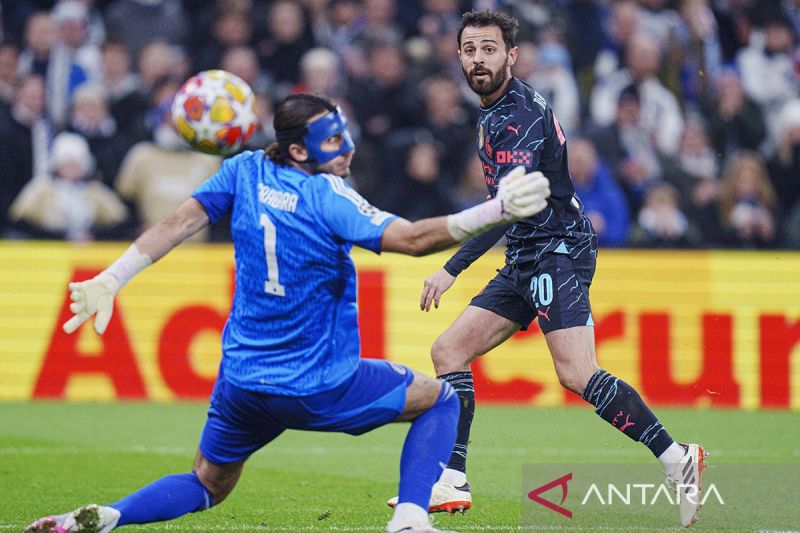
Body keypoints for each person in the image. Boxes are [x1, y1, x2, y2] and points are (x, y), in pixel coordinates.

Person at [23, 92, 551, 533]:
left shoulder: (243, 171)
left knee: (207, 482)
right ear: (298, 150)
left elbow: (177, 224)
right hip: (317, 383)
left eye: (344, 133)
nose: (345, 149)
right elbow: (411, 241)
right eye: (331, 141)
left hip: (244, 383)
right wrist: (497, 210)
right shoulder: (326, 196)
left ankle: (107, 517)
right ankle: (411, 518)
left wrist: (111, 277)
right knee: (439, 400)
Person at [387, 10, 706, 529]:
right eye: (469, 50)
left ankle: (678, 459)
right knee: (449, 350)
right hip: (527, 251)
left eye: (489, 49)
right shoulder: (495, 111)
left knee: (577, 373)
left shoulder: (517, 117)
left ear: (511, 56)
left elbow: (505, 207)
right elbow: (507, 212)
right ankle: (455, 477)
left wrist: (450, 268)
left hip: (556, 249)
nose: (478, 59)